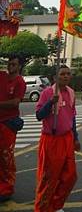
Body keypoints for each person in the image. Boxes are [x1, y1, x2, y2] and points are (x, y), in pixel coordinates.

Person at [34, 64, 80, 212]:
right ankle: (42, 208)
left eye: (68, 74)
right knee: (49, 177)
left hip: (67, 138)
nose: (66, 76)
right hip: (51, 139)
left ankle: (56, 205)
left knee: (70, 176)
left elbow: (72, 117)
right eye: (62, 74)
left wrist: (76, 138)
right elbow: (39, 115)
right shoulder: (48, 93)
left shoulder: (71, 93)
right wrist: (50, 103)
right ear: (55, 77)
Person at [0, 56, 26, 203]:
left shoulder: (20, 82)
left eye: (14, 64)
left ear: (19, 66)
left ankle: (7, 188)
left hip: (8, 124)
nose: (10, 66)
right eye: (9, 63)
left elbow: (15, 103)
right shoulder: (2, 76)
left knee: (6, 157)